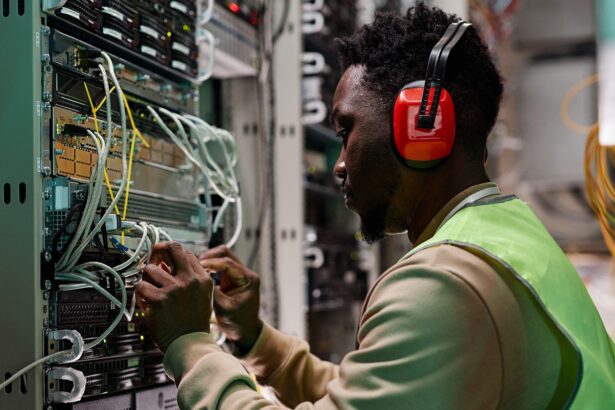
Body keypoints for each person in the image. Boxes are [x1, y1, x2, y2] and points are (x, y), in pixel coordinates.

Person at [135, 3, 615, 409]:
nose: (339, 165)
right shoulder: (510, 237)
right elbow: (381, 395)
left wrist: (189, 344)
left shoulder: (444, 283)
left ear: (423, 129)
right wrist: (258, 340)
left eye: (347, 132)